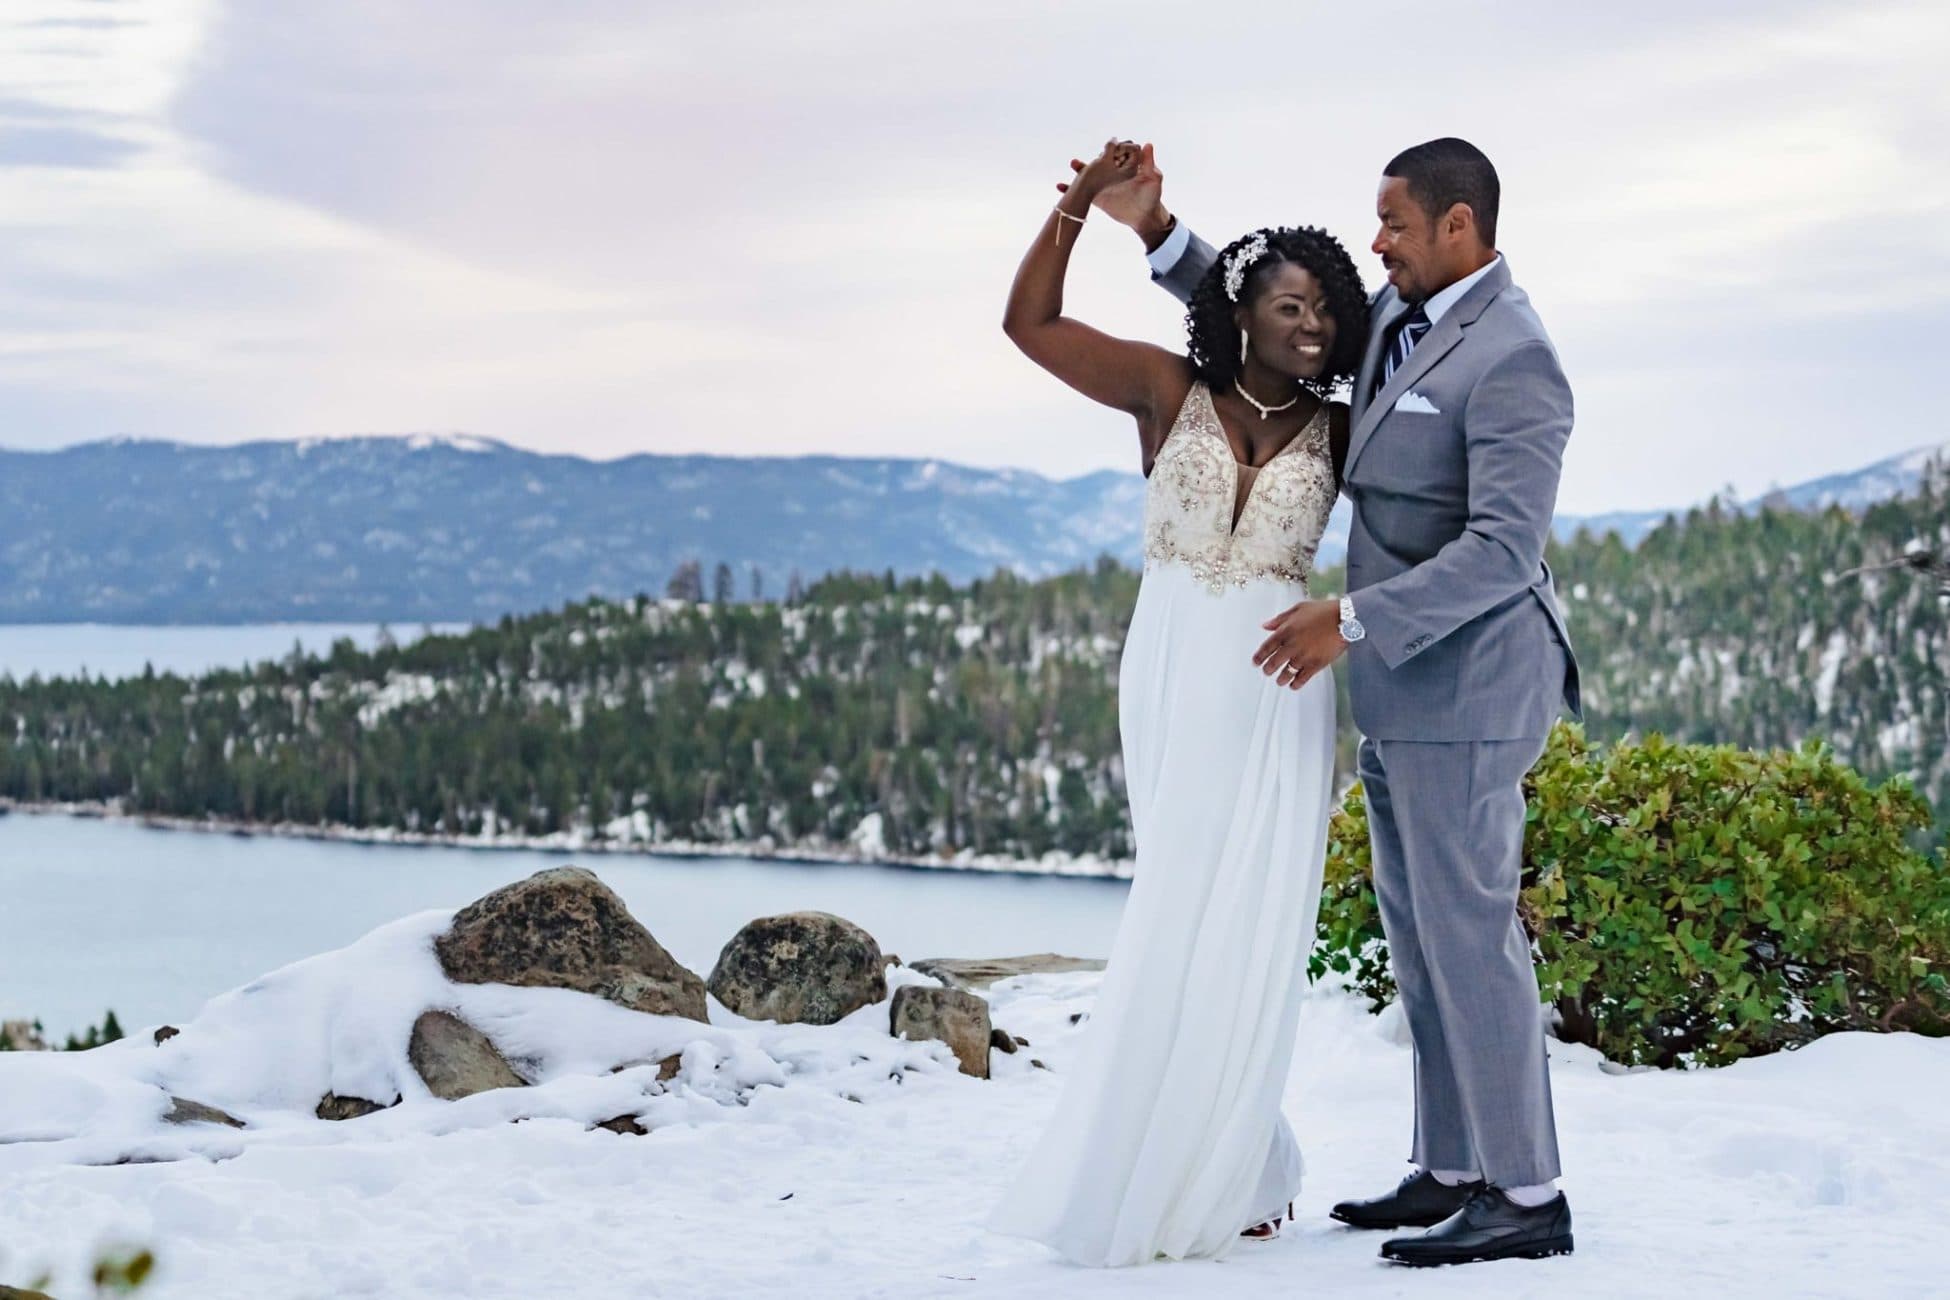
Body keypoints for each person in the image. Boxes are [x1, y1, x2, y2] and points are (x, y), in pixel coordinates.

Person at [1086, 136, 1582, 1267]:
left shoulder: (1513, 356)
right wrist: (1160, 236)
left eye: (1394, 224)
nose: (1376, 244)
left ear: (1458, 227)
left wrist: (1347, 621)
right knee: (1422, 937)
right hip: (1406, 688)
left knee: (1473, 938)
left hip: (1473, 685)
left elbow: (1506, 549)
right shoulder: (1407, 322)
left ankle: (1527, 1191)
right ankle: (1451, 1166)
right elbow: (1279, 313)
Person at [984, 141, 1368, 1266]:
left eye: (1326, 312)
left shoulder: (1346, 430)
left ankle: (1239, 1156)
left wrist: (1350, 613)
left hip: (1279, 686)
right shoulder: (1169, 390)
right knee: (1175, 910)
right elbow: (1030, 326)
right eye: (1289, 305)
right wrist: (1077, 212)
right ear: (1239, 311)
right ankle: (1242, 1157)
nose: (1311, 326)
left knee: (1245, 924)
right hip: (1169, 669)